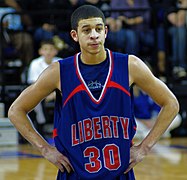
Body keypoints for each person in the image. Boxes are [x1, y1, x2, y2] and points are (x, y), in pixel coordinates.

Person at [8, 5, 179, 179]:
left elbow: (171, 103)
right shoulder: (59, 72)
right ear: (75, 35)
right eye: (86, 30)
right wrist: (45, 149)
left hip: (119, 173)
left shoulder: (130, 65)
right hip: (75, 173)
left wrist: (145, 148)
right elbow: (16, 110)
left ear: (106, 31)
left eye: (98, 29)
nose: (94, 35)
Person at [27, 39, 61, 136]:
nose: (48, 52)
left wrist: (53, 94)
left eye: (51, 49)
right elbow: (33, 83)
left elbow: (65, 82)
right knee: (34, 98)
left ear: (55, 51)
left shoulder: (60, 62)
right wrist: (46, 95)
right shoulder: (35, 63)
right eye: (45, 49)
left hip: (58, 92)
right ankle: (42, 125)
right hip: (40, 92)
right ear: (40, 51)